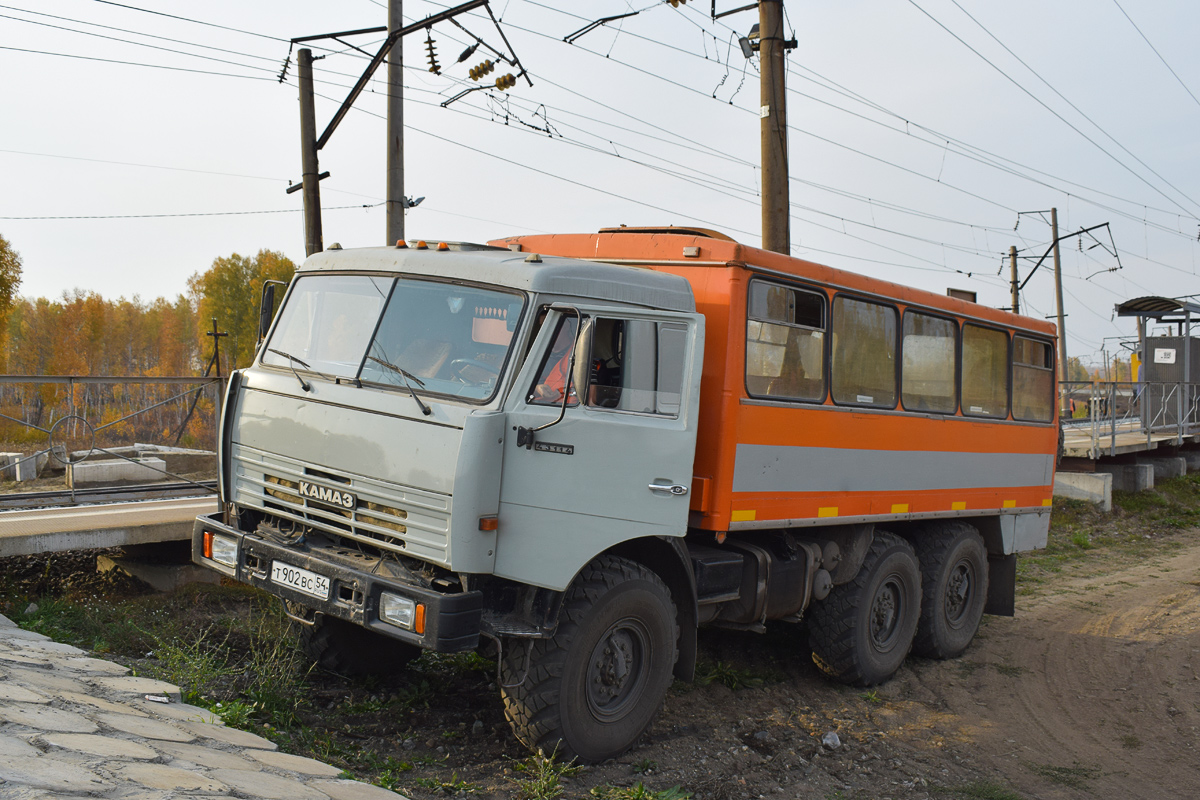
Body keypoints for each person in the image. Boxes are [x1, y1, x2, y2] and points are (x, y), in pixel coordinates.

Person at [530, 320, 578, 405]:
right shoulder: (534, 354)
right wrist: (537, 389)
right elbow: (520, 388)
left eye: (551, 324)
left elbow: (587, 395)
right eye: (542, 326)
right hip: (535, 407)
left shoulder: (581, 355)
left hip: (568, 410)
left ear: (567, 326)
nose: (545, 329)